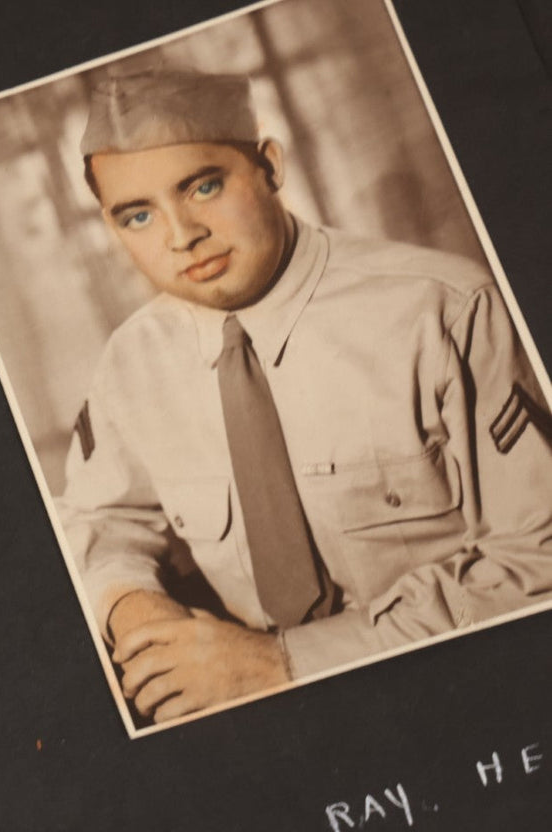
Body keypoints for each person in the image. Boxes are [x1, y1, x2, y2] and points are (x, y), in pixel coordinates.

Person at [58, 69, 552, 726]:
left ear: (269, 166)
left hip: (459, 694)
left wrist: (285, 664)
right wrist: (135, 611)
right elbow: (103, 519)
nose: (180, 235)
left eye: (203, 187)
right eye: (138, 216)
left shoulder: (444, 310)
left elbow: (539, 559)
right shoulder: (129, 363)